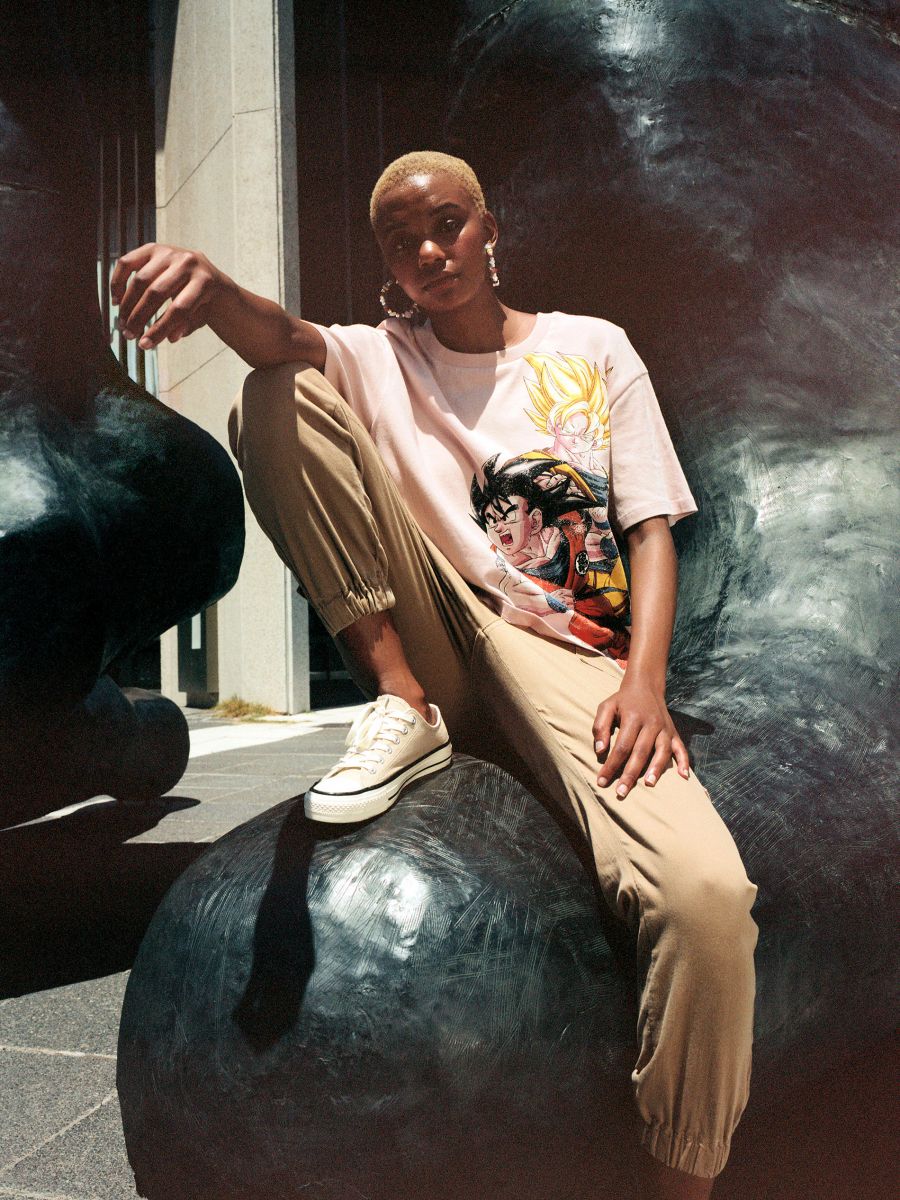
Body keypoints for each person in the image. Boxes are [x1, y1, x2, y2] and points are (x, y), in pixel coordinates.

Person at [111, 150, 759, 1200]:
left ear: (489, 227)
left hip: (572, 656)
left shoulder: (592, 346)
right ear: (386, 262)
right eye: (402, 238)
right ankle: (398, 698)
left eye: (447, 223)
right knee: (273, 395)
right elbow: (284, 342)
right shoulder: (382, 355)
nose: (429, 249)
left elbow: (650, 529)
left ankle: (682, 1175)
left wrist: (644, 681)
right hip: (438, 629)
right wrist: (217, 290)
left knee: (708, 901)